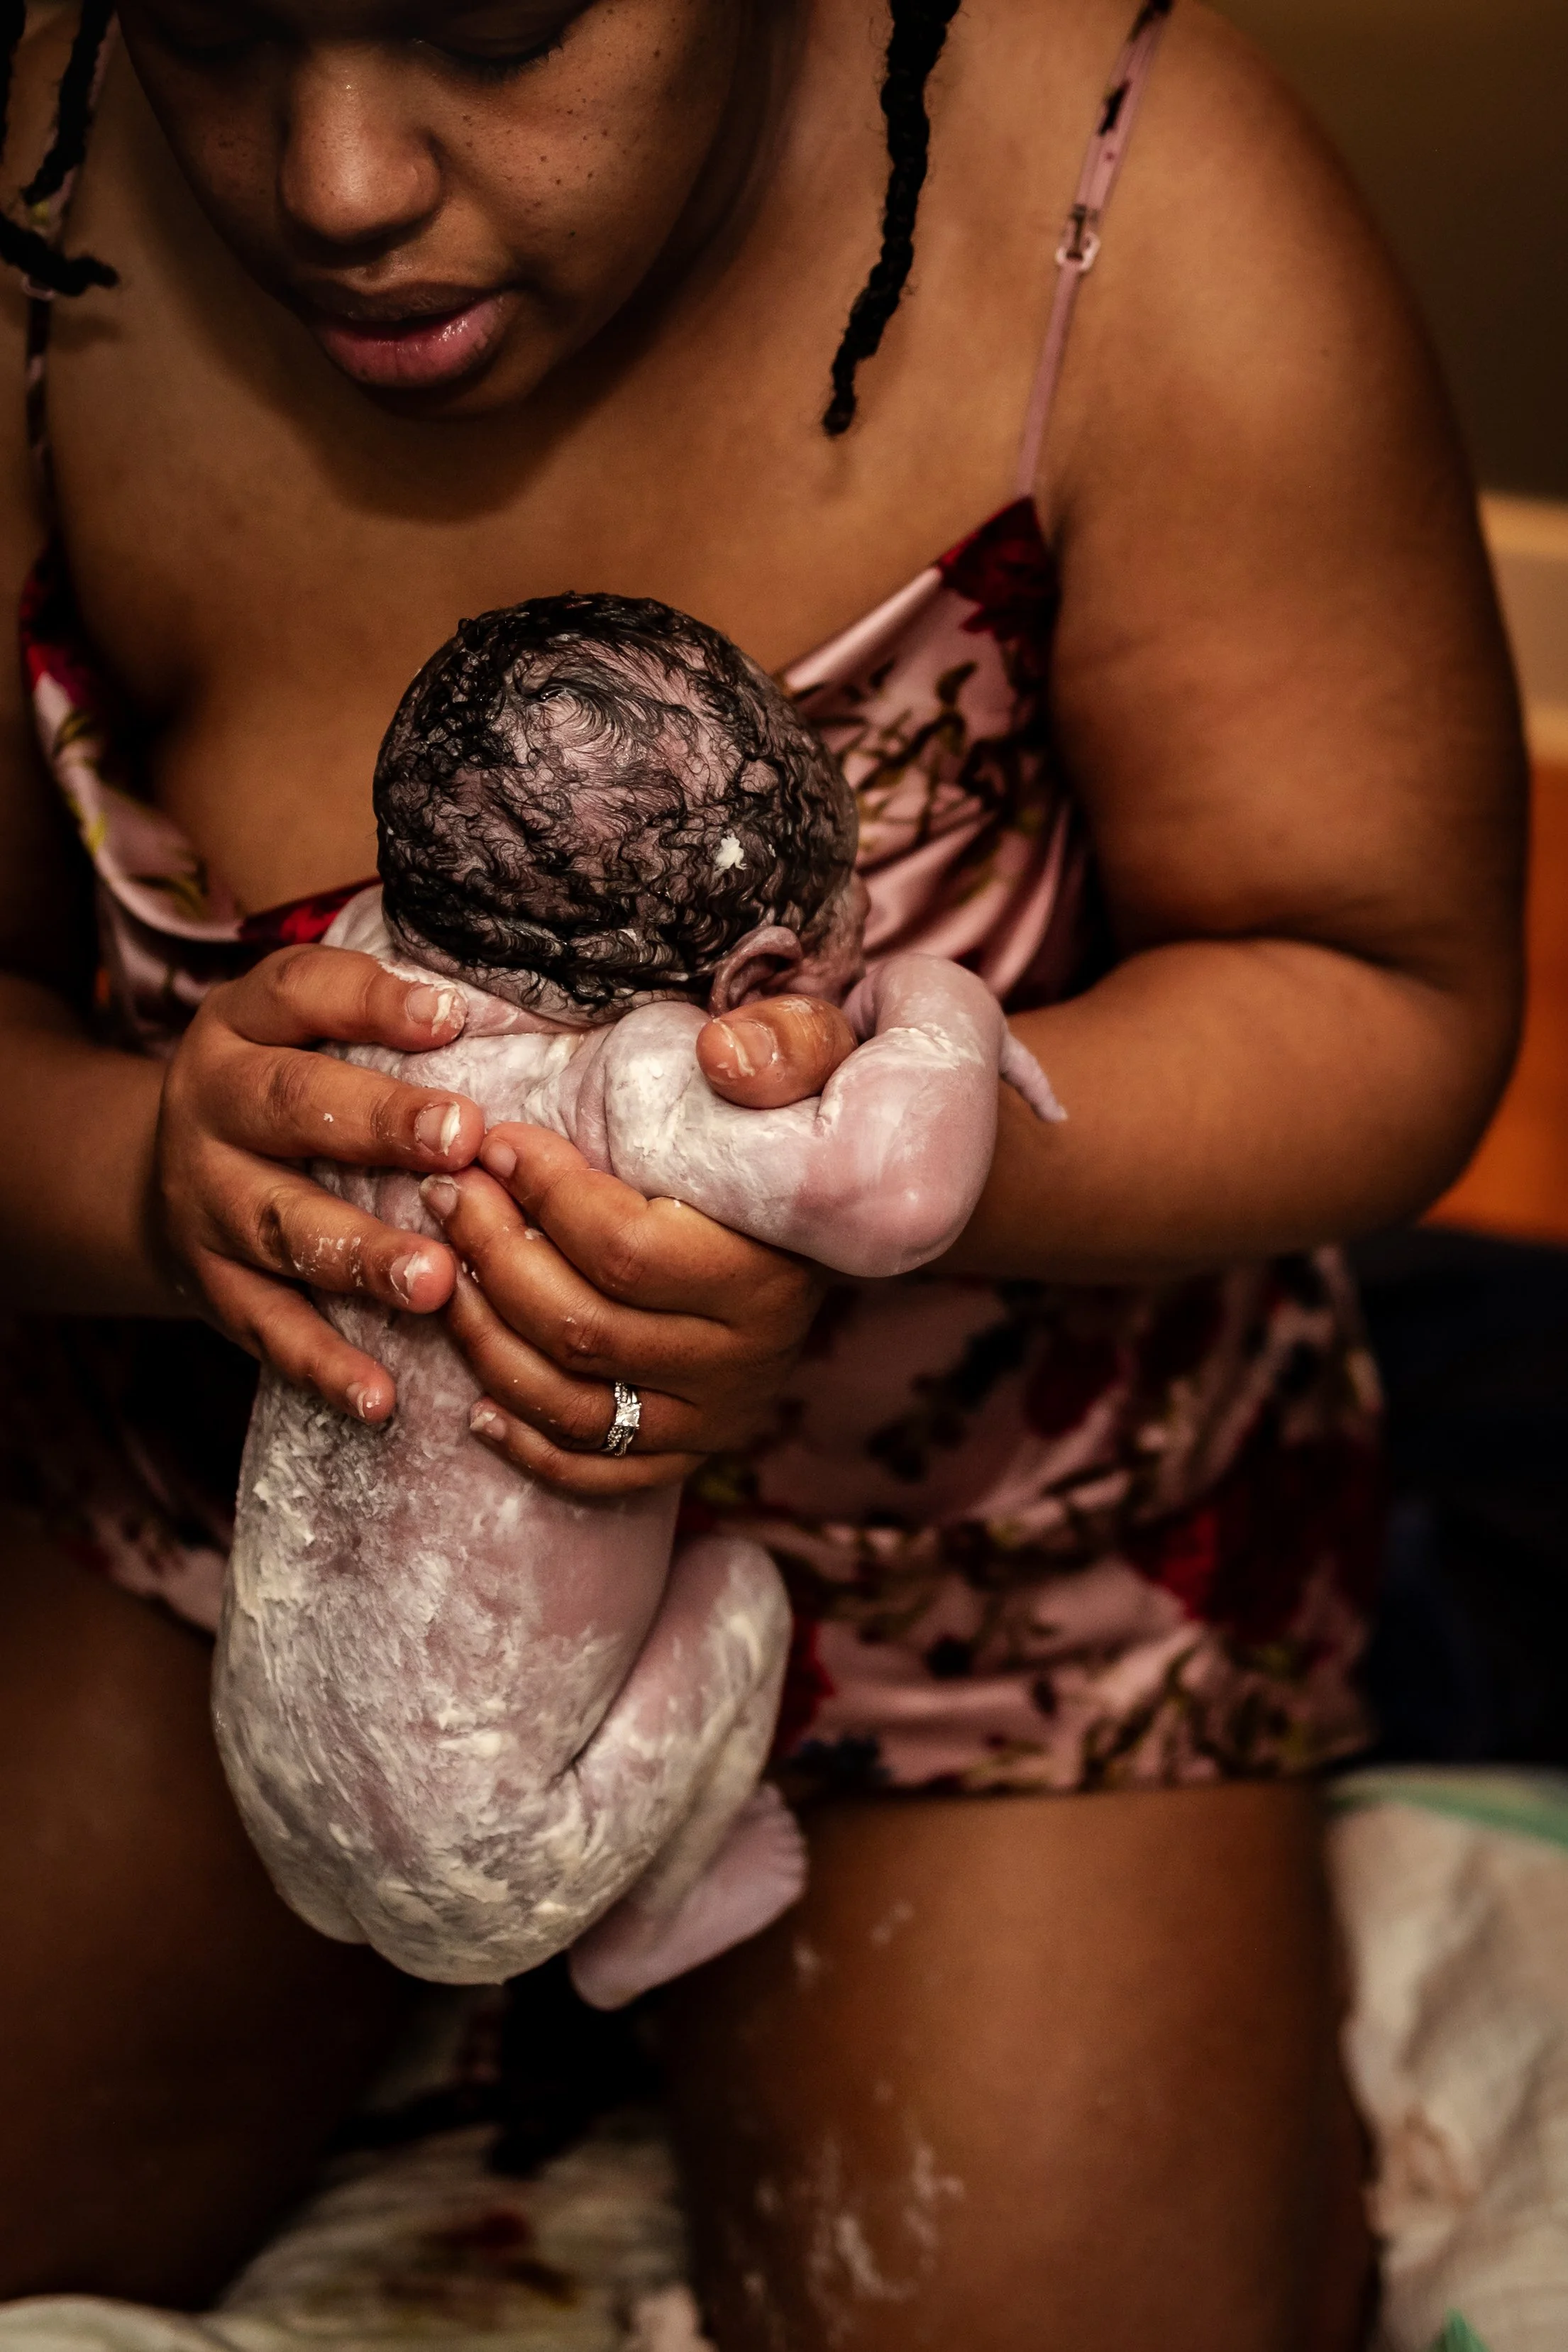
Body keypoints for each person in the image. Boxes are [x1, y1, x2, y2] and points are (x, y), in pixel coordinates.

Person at [0, 0, 1523, 2341]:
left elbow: (1383, 989)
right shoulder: (37, 200)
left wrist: (900, 1181)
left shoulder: (1125, 215)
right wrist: (151, 1179)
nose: (332, 180)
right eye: (209, 22)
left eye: (498, 16)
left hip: (990, 1539)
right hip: (244, 1508)